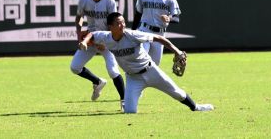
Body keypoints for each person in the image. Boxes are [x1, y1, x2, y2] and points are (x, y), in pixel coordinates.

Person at [80, 12, 214, 113]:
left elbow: (158, 38)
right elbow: (92, 34)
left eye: (123, 22)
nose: (122, 25)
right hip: (133, 78)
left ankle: (196, 107)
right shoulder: (106, 37)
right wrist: (85, 42)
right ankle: (130, 99)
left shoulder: (132, 35)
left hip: (150, 71)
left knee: (176, 92)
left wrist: (177, 50)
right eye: (118, 23)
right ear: (110, 26)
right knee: (130, 112)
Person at [70, 0, 125, 109]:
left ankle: (124, 101)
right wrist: (79, 36)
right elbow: (79, 18)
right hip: (90, 39)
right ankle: (98, 81)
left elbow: (114, 22)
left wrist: (105, 41)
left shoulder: (109, 1)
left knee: (113, 71)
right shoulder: (84, 0)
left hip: (107, 39)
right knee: (75, 67)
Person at [132, 0, 181, 66]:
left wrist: (169, 18)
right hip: (144, 30)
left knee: (155, 65)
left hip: (160, 35)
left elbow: (176, 18)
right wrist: (133, 33)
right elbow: (137, 15)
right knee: (142, 59)